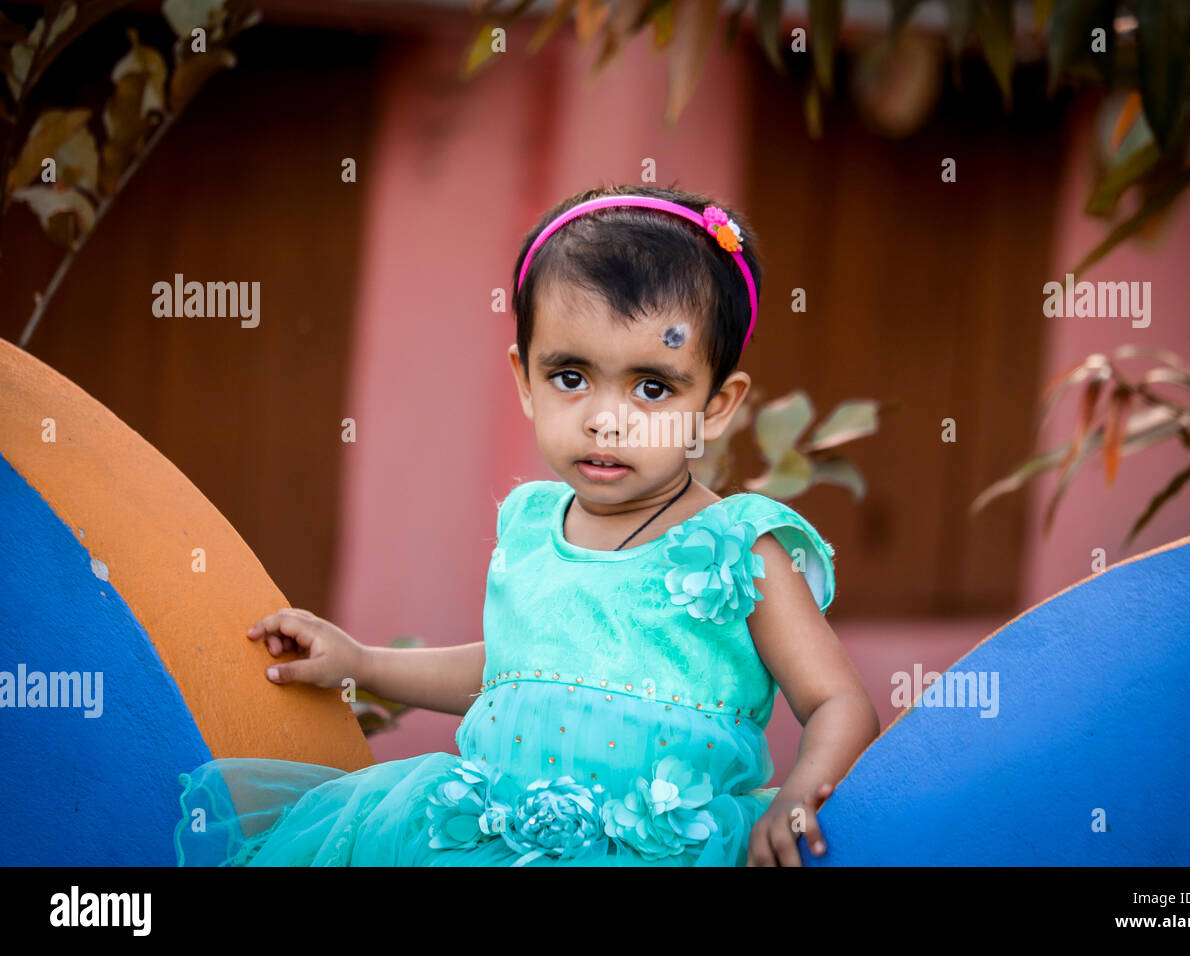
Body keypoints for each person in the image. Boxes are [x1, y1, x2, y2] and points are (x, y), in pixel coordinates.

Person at [173, 183, 880, 867]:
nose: (605, 418)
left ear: (718, 405)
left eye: (653, 387)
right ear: (524, 378)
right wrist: (360, 662)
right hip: (488, 837)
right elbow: (510, 672)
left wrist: (797, 796)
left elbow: (838, 700)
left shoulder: (739, 547)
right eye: (570, 377)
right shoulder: (532, 523)